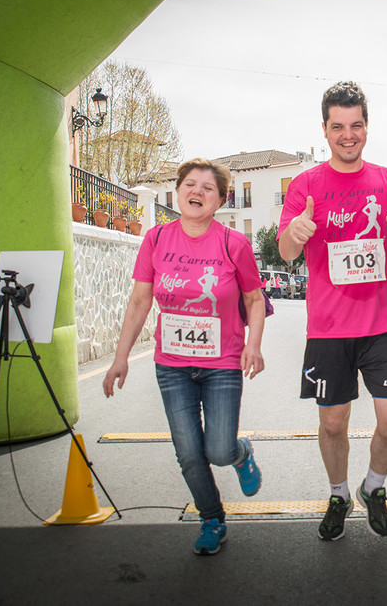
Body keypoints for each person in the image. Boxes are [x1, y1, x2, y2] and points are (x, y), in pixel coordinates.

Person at [278, 80, 387, 541]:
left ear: (367, 126)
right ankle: (338, 493)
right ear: (325, 130)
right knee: (332, 422)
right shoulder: (306, 185)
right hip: (328, 328)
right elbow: (286, 252)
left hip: (383, 323)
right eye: (338, 126)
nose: (348, 135)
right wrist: (298, 231)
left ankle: (374, 486)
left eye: (356, 125)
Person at [103, 158, 265, 557]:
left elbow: (254, 298)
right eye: (190, 184)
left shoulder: (233, 243)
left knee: (218, 450)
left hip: (222, 363)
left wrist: (253, 345)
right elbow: (140, 300)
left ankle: (241, 454)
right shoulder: (156, 239)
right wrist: (120, 357)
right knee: (189, 453)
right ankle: (212, 519)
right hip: (172, 365)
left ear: (220, 200)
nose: (197, 192)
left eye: (207, 188)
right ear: (178, 192)